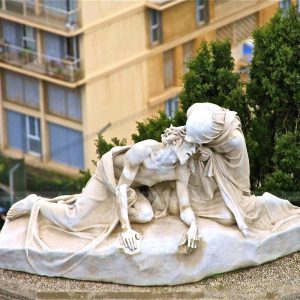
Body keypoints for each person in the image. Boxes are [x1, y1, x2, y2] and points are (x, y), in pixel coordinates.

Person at [7, 125, 199, 258]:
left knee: (146, 214)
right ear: (177, 142)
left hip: (131, 189)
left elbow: (185, 207)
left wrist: (193, 228)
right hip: (108, 179)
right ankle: (36, 203)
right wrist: (126, 229)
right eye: (192, 146)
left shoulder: (181, 169)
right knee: (74, 220)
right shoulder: (143, 151)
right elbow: (121, 186)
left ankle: (105, 212)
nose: (194, 152)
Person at [185, 102, 300, 238]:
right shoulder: (194, 111)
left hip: (227, 181)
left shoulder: (233, 141)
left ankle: (276, 207)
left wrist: (211, 157)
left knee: (241, 212)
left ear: (211, 139)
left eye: (201, 142)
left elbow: (237, 177)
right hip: (202, 173)